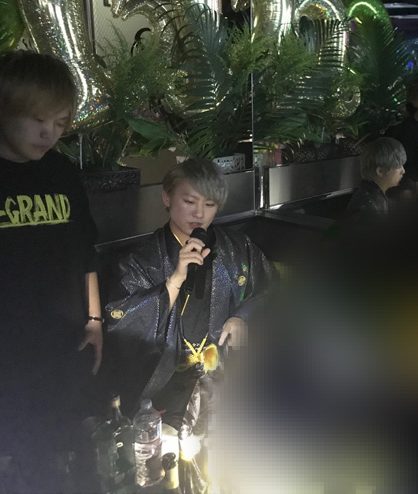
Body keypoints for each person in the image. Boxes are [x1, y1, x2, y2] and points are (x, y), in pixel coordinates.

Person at [104, 158, 276, 425]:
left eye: (209, 204)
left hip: (226, 380)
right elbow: (120, 320)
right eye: (189, 201)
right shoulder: (142, 260)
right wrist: (174, 280)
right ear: (167, 198)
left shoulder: (237, 248)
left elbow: (269, 291)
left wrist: (243, 317)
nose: (199, 213)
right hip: (165, 388)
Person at [0, 50, 102, 492]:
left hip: (66, 347)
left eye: (60, 123)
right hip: (9, 359)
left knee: (70, 461)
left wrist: (95, 321)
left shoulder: (61, 172)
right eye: (38, 119)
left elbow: (86, 251)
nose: (50, 133)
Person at [343, 137, 406, 219]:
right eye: (398, 166)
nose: (403, 171)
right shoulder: (368, 209)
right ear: (380, 171)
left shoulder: (372, 196)